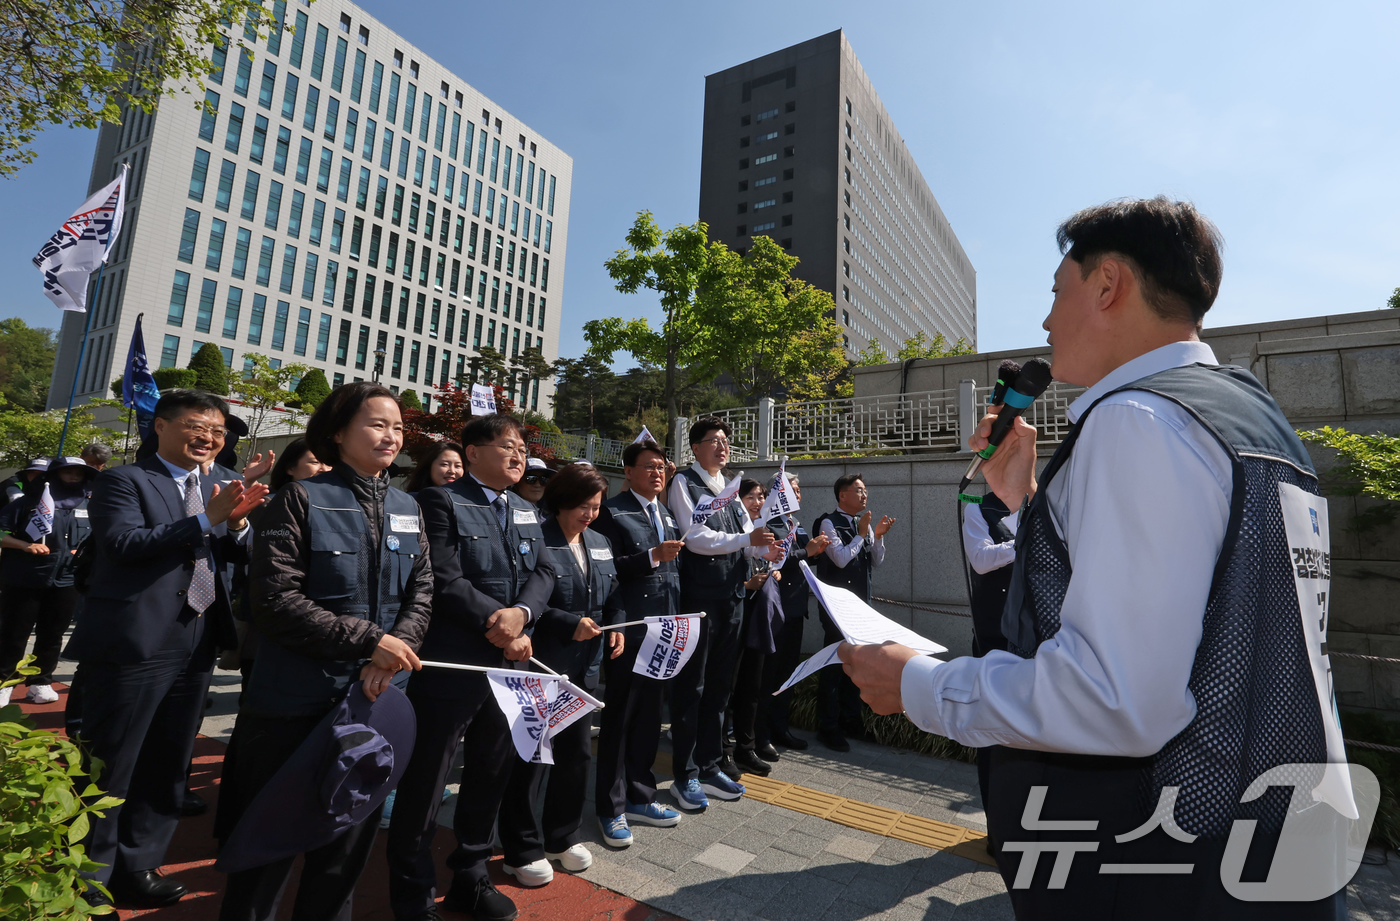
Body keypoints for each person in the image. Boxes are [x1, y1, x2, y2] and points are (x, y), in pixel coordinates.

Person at [840, 198, 1354, 919]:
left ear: (1108, 283)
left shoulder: (1137, 418)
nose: (1047, 321)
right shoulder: (1253, 417)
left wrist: (919, 685)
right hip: (1271, 848)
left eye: (1058, 291)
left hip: (1167, 866)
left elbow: (1114, 697)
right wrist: (1025, 499)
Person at [216, 383, 432, 921]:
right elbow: (274, 600)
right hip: (294, 703)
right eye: (377, 424)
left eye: (398, 427)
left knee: (345, 850)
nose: (391, 436)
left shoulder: (407, 506)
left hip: (374, 702)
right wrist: (370, 641)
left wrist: (395, 651)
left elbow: (422, 591)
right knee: (267, 848)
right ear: (337, 432)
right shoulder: (300, 499)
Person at [65, 390, 267, 907]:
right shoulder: (125, 480)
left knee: (168, 761)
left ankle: (139, 864)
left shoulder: (219, 484)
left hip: (197, 639)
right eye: (197, 426)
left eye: (218, 431)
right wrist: (206, 518)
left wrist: (237, 523)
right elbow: (122, 544)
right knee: (111, 762)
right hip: (136, 641)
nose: (209, 438)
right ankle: (87, 881)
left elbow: (234, 554)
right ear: (160, 425)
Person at [387, 413, 558, 921]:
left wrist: (522, 614)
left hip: (509, 668)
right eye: (507, 446)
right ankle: (413, 893)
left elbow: (545, 570)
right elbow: (442, 575)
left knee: (490, 771)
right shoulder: (439, 501)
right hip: (452, 665)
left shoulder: (524, 508)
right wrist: (499, 620)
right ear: (474, 452)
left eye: (522, 448)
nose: (518, 455)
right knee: (427, 779)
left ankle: (471, 875)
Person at [498, 463, 624, 886]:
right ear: (561, 502)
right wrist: (568, 623)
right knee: (532, 759)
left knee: (575, 757)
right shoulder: (536, 539)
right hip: (541, 668)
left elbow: (614, 594)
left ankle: (561, 836)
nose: (590, 514)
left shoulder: (600, 542)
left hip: (583, 671)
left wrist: (618, 625)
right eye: (582, 506)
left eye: (596, 507)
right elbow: (527, 601)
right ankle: (520, 848)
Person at [666, 417, 778, 810]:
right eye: (713, 440)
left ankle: (710, 764)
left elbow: (746, 539)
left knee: (719, 687)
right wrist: (746, 539)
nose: (722, 446)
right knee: (692, 688)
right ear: (695, 448)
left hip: (732, 598)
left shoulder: (729, 488)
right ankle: (685, 774)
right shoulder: (684, 483)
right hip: (699, 599)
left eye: (725, 440)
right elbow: (695, 538)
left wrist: (765, 548)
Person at [591, 438, 685, 848]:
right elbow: (604, 569)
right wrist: (651, 556)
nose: (657, 473)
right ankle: (610, 808)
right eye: (648, 466)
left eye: (661, 467)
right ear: (627, 472)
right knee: (620, 720)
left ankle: (641, 797)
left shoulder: (666, 512)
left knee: (649, 717)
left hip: (664, 631)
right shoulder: (612, 512)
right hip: (629, 630)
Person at [0, 457, 97, 705]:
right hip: (25, 578)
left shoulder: (91, 505)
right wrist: (24, 545)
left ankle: (40, 682)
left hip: (66, 580)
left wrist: (85, 553)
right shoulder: (28, 503)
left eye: (79, 473)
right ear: (53, 476)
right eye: (68, 472)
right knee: (14, 634)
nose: (74, 477)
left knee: (53, 634)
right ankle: (5, 682)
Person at [812, 474, 895, 751]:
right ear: (842, 495)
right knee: (834, 665)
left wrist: (877, 536)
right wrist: (860, 534)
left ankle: (851, 721)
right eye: (858, 490)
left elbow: (876, 561)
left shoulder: (863, 524)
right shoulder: (828, 522)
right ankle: (828, 726)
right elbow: (840, 559)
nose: (864, 495)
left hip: (860, 607)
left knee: (856, 665)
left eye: (865, 490)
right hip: (837, 608)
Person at [756, 473, 830, 758]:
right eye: (791, 490)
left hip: (796, 609)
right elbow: (775, 560)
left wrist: (816, 552)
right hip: (776, 611)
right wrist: (807, 551)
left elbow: (801, 558)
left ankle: (780, 727)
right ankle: (760, 734)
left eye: (798, 490)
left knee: (787, 675)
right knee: (768, 675)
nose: (797, 495)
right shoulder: (767, 524)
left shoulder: (795, 524)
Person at [726, 479, 782, 777]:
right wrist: (747, 585)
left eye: (761, 496)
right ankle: (721, 750)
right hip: (733, 614)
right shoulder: (730, 530)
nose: (757, 502)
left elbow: (768, 563)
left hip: (757, 616)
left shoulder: (764, 529)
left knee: (752, 686)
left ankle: (745, 748)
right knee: (728, 686)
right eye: (750, 496)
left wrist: (773, 573)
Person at [266, 438, 331, 492]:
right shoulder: (272, 501)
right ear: (291, 468)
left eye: (329, 463)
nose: (325, 469)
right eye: (315, 462)